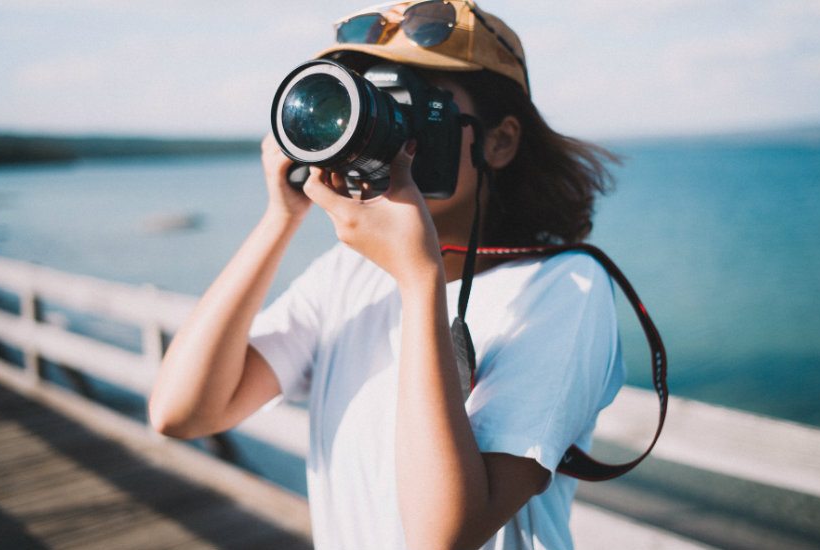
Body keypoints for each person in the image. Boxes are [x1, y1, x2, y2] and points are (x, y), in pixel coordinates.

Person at [149, 1, 625, 548]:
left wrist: (420, 281)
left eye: (417, 107)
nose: (392, 135)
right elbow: (181, 412)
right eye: (370, 103)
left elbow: (441, 535)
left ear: (500, 140)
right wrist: (281, 219)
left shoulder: (563, 290)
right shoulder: (347, 278)